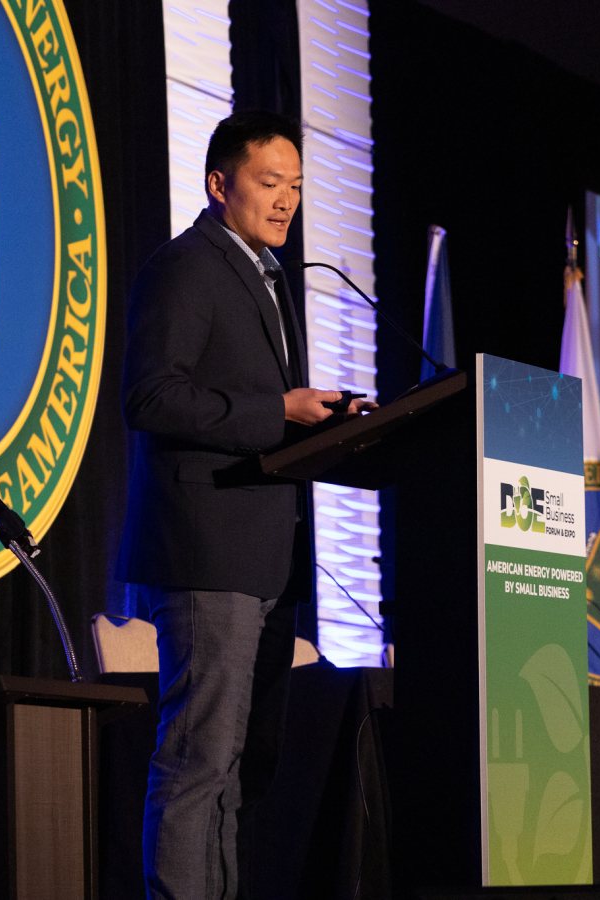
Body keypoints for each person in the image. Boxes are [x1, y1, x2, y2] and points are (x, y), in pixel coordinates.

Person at [116, 110, 373, 900]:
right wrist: (279, 414)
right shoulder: (186, 267)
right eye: (270, 183)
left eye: (296, 186)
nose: (287, 200)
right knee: (199, 760)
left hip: (262, 557)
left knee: (237, 767)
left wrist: (317, 419)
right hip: (207, 551)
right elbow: (151, 397)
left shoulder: (265, 275)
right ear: (219, 183)